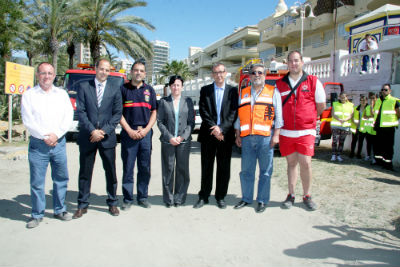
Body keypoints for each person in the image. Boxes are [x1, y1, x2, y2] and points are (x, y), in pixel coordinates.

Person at [21, 62, 73, 228]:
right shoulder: (29, 95)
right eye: (43, 73)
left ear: (54, 75)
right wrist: (45, 136)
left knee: (61, 178)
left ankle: (60, 209)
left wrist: (56, 135)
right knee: (37, 182)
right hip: (38, 145)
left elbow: (68, 116)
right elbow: (28, 120)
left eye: (50, 73)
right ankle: (36, 214)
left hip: (58, 143)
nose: (47, 76)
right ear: (37, 75)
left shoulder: (61, 94)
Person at [275, 50, 326, 211]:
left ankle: (307, 195)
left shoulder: (313, 81)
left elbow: (321, 105)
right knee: (291, 163)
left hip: (306, 131)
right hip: (286, 131)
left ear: (302, 62)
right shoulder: (280, 84)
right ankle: (290, 195)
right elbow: (277, 108)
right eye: (290, 61)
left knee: (305, 163)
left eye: (296, 60)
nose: (294, 64)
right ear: (287, 63)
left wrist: (308, 119)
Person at [73, 59, 122, 219]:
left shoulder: (115, 88)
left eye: (107, 70)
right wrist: (93, 130)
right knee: (85, 172)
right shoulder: (84, 86)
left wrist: (103, 131)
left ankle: (112, 202)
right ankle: (82, 204)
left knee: (110, 172)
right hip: (88, 137)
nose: (104, 72)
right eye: (101, 69)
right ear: (95, 69)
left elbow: (117, 114)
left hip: (107, 138)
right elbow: (81, 111)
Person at [233, 63, 283, 213]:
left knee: (265, 171)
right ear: (249, 76)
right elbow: (239, 117)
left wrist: (276, 135)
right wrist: (237, 134)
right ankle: (246, 198)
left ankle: (262, 200)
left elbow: (279, 117)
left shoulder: (273, 92)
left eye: (260, 73)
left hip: (266, 138)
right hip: (247, 138)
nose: (257, 75)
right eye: (254, 73)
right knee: (246, 171)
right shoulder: (243, 93)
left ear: (265, 75)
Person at [193, 62, 238, 209]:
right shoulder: (205, 90)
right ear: (212, 74)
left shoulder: (233, 91)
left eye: (221, 72)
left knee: (224, 168)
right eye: (216, 72)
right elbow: (203, 110)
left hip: (225, 135)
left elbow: (233, 112)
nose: (219, 75)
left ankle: (220, 196)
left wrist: (222, 129)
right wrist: (215, 128)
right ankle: (204, 196)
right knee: (207, 167)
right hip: (209, 134)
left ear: (226, 73)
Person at [120, 61, 157, 209]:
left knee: (144, 168)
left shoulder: (150, 90)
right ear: (131, 72)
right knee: (128, 168)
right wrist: (129, 130)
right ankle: (128, 199)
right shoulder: (123, 89)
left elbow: (154, 111)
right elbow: (118, 113)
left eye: (141, 71)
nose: (138, 73)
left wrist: (147, 130)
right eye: (136, 70)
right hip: (129, 134)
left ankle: (142, 197)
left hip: (145, 135)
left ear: (145, 74)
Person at [157, 75, 195, 207]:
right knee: (168, 169)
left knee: (182, 169)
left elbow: (191, 122)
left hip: (183, 142)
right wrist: (169, 137)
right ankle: (168, 198)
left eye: (178, 85)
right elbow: (160, 122)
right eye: (173, 85)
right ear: (170, 86)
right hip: (168, 142)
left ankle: (179, 198)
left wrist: (182, 137)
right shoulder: (163, 102)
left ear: (182, 87)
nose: (175, 87)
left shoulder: (188, 101)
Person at [372, 84, 400, 170]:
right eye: (382, 89)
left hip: (389, 128)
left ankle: (387, 164)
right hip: (378, 127)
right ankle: (379, 162)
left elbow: (398, 113)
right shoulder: (378, 101)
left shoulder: (394, 101)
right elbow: (375, 113)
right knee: (378, 146)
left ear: (390, 91)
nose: (384, 91)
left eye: (386, 90)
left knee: (388, 147)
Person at [330, 92, 354, 162]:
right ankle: (333, 155)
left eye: (344, 97)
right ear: (339, 97)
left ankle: (339, 155)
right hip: (336, 125)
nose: (343, 99)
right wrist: (339, 119)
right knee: (335, 141)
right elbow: (333, 113)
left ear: (346, 97)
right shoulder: (335, 104)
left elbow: (351, 114)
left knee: (341, 141)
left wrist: (345, 119)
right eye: (341, 97)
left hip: (345, 126)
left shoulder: (351, 105)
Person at [363, 92, 377, 164]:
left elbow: (374, 114)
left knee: (374, 145)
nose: (372, 100)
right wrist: (369, 116)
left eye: (373, 98)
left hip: (374, 129)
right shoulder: (367, 107)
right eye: (371, 99)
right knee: (368, 143)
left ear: (376, 99)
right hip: (368, 128)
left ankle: (374, 157)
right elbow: (364, 116)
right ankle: (368, 155)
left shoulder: (378, 106)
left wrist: (372, 106)